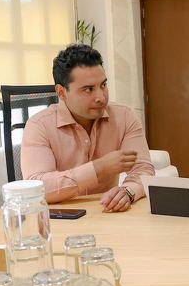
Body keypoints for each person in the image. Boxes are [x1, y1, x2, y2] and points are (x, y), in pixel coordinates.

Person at [21, 44, 154, 213]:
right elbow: (37, 188)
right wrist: (99, 168)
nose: (101, 97)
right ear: (61, 92)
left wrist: (127, 192)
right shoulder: (39, 125)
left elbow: (143, 169)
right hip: (60, 220)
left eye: (103, 85)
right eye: (88, 89)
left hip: (108, 215)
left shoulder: (125, 116)